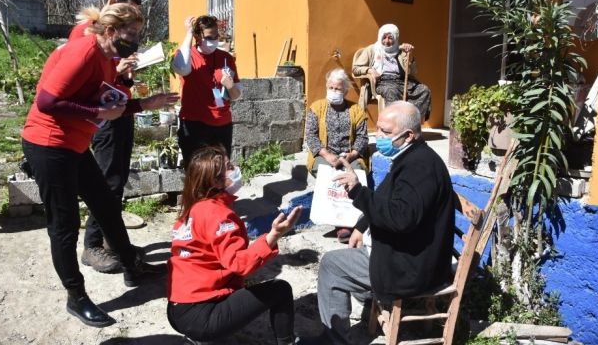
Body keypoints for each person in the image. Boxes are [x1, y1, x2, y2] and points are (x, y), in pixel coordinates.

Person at [21, 3, 167, 328]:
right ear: (111, 31)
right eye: (131, 34)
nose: (136, 40)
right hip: (48, 144)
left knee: (105, 204)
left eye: (139, 35)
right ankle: (76, 297)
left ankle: (132, 265)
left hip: (74, 143)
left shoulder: (106, 57)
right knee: (64, 225)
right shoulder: (84, 51)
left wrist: (145, 104)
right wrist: (99, 113)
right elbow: (47, 101)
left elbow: (106, 102)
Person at [307, 101, 455, 344]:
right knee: (344, 261)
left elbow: (399, 218)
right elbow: (387, 199)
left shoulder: (419, 168)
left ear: (408, 135)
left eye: (386, 132)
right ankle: (366, 299)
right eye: (379, 129)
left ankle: (335, 340)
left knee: (332, 265)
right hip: (408, 252)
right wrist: (362, 226)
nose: (380, 137)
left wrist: (356, 191)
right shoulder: (410, 157)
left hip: (412, 267)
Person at [72, 0, 178, 274]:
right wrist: (115, 73)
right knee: (106, 183)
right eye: (130, 15)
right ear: (113, 4)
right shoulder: (87, 35)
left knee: (116, 182)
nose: (132, 32)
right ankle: (92, 245)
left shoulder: (115, 42)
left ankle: (112, 243)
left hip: (122, 111)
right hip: (103, 117)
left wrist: (127, 77)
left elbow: (115, 84)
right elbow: (83, 86)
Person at [166, 146, 303, 345]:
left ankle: (200, 336)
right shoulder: (218, 214)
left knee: (240, 287)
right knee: (280, 290)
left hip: (177, 309)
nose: (236, 168)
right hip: (200, 316)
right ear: (215, 181)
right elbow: (239, 264)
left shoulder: (193, 209)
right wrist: (273, 235)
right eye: (230, 167)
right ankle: (288, 342)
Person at [305, 67, 369, 243]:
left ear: (345, 90)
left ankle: (351, 222)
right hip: (324, 155)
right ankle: (339, 223)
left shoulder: (356, 110)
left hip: (350, 156)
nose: (334, 91)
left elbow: (363, 137)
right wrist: (326, 155)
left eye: (338, 88)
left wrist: (352, 155)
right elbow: (310, 135)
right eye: (331, 88)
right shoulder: (316, 107)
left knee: (355, 175)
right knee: (329, 175)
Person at [172, 15, 241, 168]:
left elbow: (236, 95)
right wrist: (189, 33)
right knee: (197, 175)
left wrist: (230, 86)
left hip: (222, 125)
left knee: (220, 174)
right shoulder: (187, 55)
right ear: (198, 36)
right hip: (195, 125)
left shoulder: (226, 58)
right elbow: (181, 68)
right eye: (210, 37)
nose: (214, 40)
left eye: (216, 36)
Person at [352, 24, 431, 121]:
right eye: (384, 37)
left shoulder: (401, 50)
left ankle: (412, 121)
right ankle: (393, 123)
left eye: (390, 38)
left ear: (396, 38)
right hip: (383, 81)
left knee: (424, 90)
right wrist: (370, 70)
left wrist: (409, 55)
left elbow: (413, 71)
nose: (387, 41)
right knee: (391, 92)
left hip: (401, 81)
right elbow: (355, 68)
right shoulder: (372, 50)